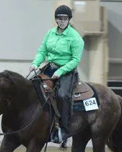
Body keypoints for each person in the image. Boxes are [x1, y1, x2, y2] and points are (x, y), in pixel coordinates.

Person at [29, 5, 84, 143]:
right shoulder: (50, 33)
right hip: (49, 67)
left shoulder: (75, 38)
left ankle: (64, 130)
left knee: (62, 95)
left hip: (67, 71)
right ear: (56, 19)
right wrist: (35, 63)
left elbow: (75, 60)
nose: (62, 21)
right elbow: (42, 51)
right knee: (31, 86)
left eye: (65, 18)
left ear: (69, 19)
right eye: (59, 18)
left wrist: (60, 71)